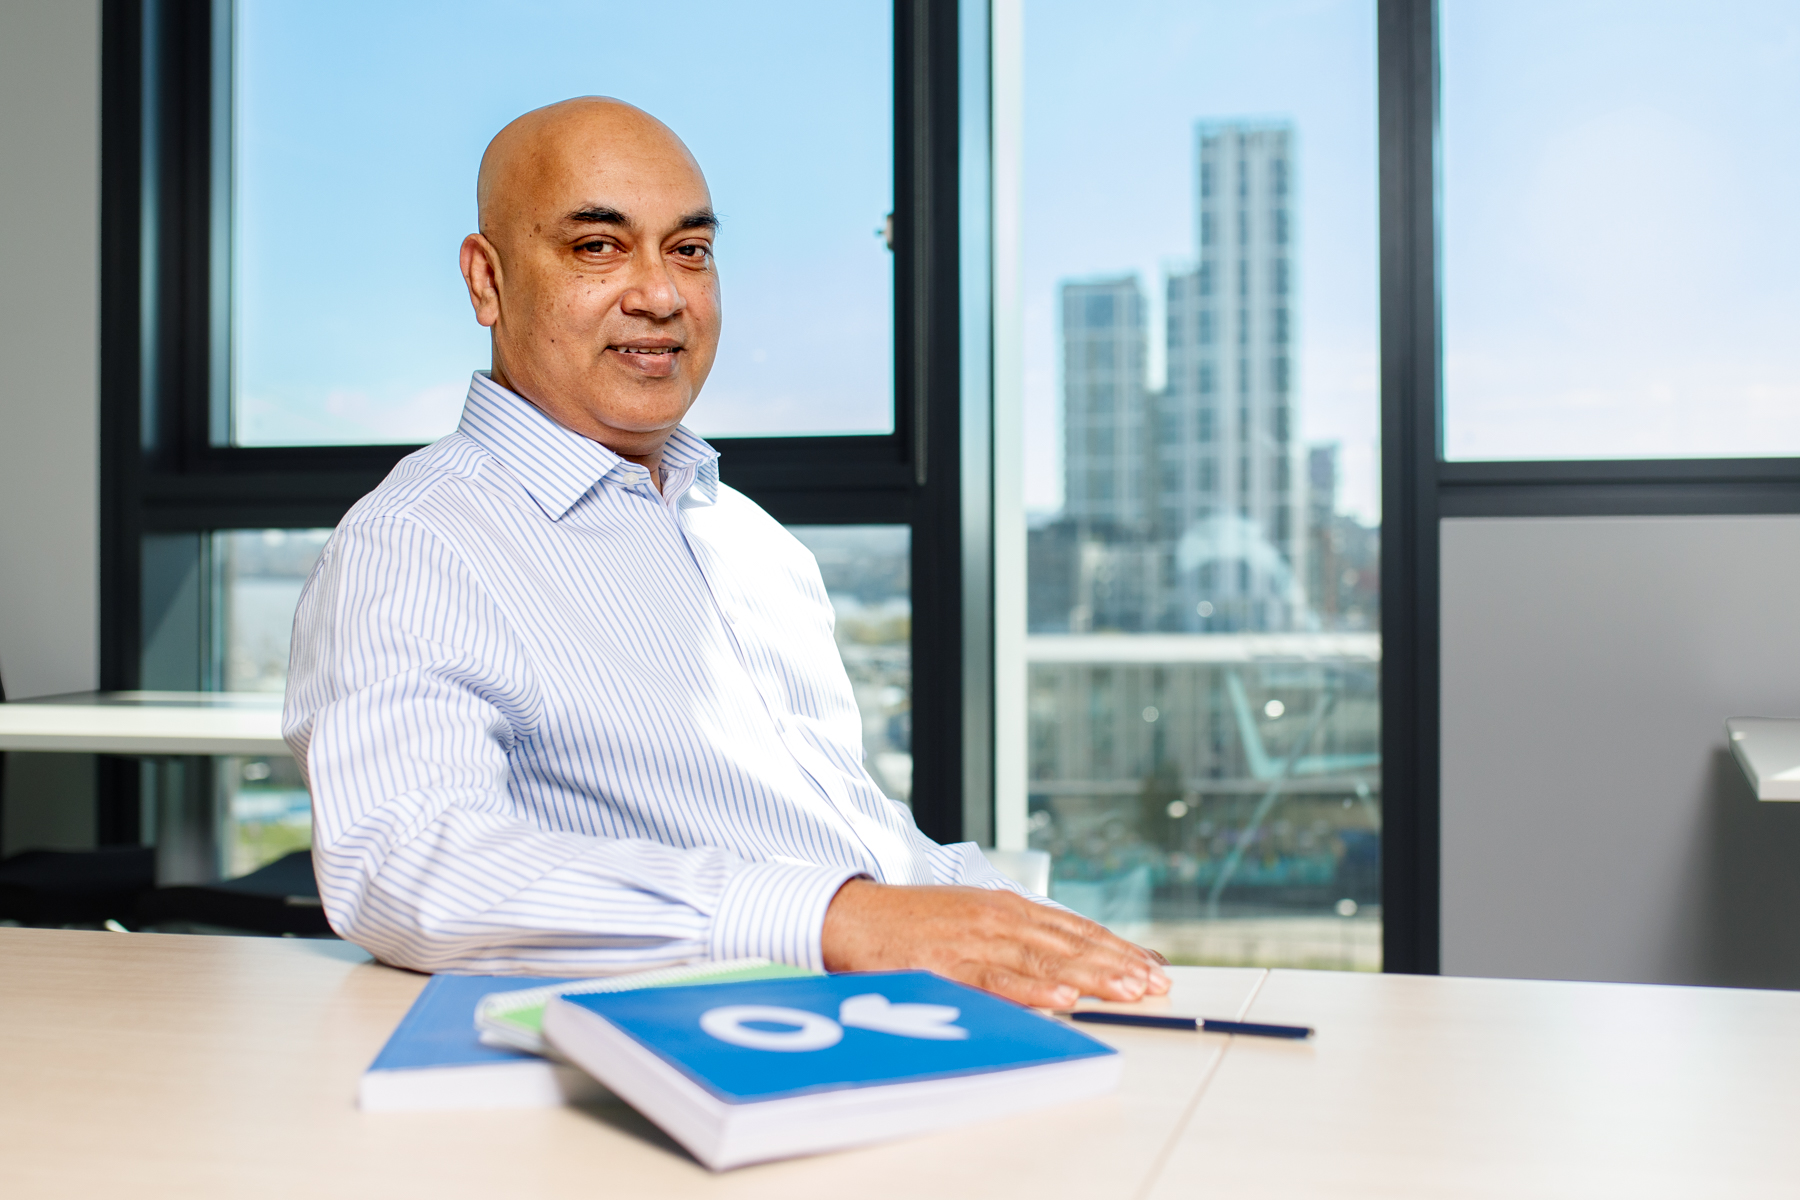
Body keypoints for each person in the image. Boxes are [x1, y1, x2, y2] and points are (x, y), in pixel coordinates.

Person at [283, 97, 1168, 1009]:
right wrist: (841, 921)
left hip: (888, 1009)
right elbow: (407, 866)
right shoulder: (418, 545)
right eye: (598, 247)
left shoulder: (751, 541)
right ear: (488, 281)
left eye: (689, 250)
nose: (661, 295)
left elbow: (846, 838)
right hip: (715, 1051)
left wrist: (1015, 923)